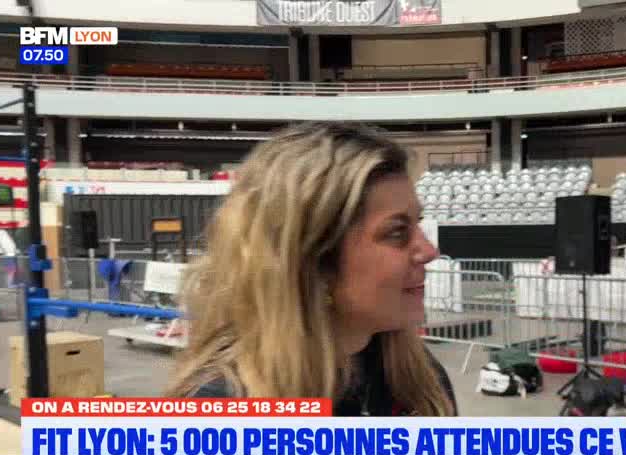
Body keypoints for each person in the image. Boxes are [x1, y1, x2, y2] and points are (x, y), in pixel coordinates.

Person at [167, 122, 457, 416]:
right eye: (397, 232)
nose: (429, 251)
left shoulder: (423, 384)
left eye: (417, 224)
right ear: (314, 263)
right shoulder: (216, 414)